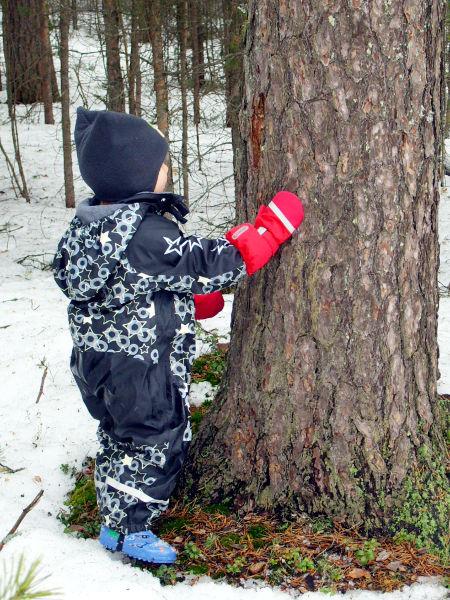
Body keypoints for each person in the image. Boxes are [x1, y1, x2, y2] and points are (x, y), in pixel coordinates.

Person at [53, 107, 304, 564]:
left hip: (98, 366)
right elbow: (210, 261)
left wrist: (181, 300)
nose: (168, 171)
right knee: (156, 439)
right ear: (140, 175)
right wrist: (268, 232)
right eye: (162, 164)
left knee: (119, 437)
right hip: (142, 369)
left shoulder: (91, 230)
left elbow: (130, 285)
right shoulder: (145, 233)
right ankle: (132, 528)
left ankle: (115, 516)